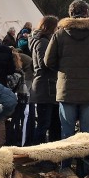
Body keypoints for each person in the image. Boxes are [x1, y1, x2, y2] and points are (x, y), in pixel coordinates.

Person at [44, 0, 89, 143]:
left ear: (70, 13)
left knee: (67, 134)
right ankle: (86, 165)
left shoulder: (60, 34)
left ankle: (66, 164)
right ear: (87, 13)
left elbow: (48, 61)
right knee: (87, 136)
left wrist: (64, 69)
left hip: (66, 89)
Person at [29, 16, 60, 145]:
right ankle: (40, 156)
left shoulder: (42, 41)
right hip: (45, 88)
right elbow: (44, 63)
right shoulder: (43, 42)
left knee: (52, 123)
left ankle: (51, 155)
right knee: (44, 124)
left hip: (47, 87)